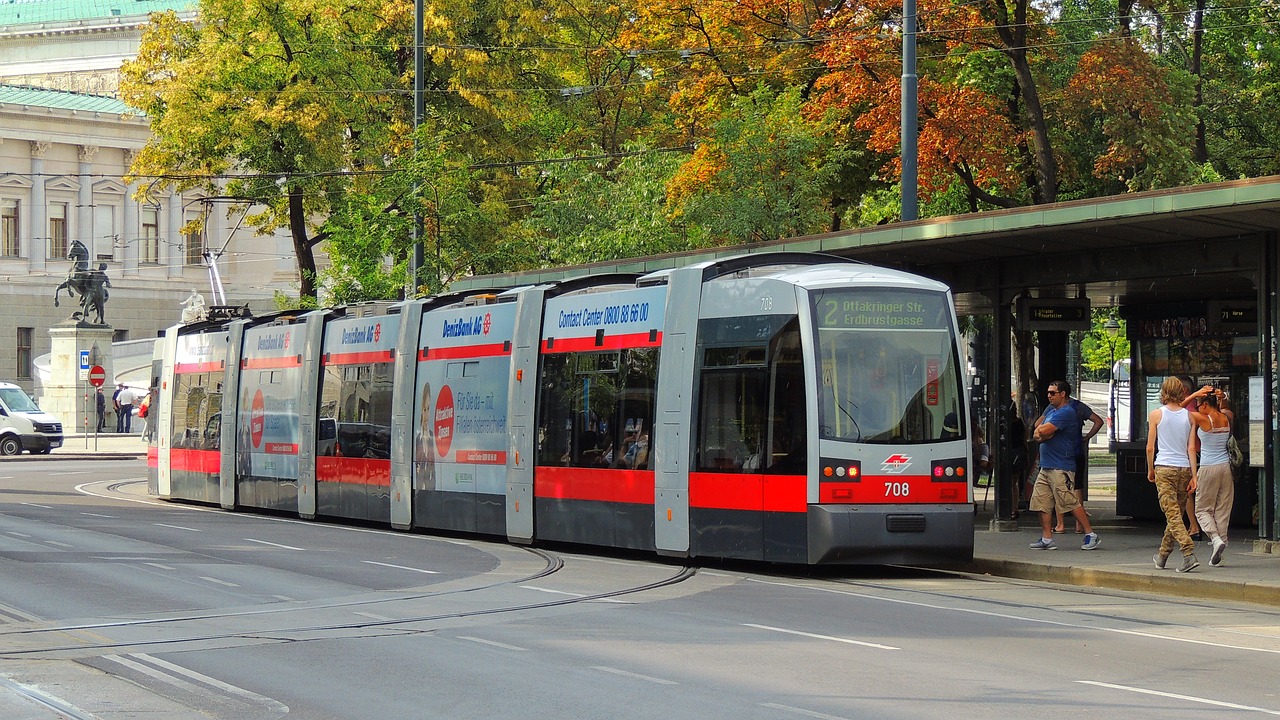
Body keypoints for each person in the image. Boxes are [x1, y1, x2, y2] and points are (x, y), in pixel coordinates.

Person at [1028, 380, 1100, 551]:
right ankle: (1047, 538)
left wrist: (1043, 433)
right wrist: (1043, 434)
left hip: (1061, 466)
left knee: (1069, 501)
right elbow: (1036, 430)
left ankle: (1090, 534)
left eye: (1053, 393)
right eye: (1048, 392)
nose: (1049, 396)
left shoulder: (1066, 412)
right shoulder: (1053, 411)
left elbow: (1042, 431)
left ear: (1063, 394)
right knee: (1041, 502)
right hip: (1047, 466)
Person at [1146, 376, 1200, 572]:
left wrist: (1150, 469)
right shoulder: (1190, 416)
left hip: (1164, 467)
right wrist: (1194, 476)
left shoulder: (1156, 414)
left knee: (1172, 514)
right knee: (1175, 513)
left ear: (1163, 391)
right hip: (1184, 468)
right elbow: (1191, 448)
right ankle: (1162, 555)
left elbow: (1150, 447)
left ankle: (1188, 552)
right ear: (1182, 392)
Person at [1189, 389, 1234, 566]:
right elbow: (1225, 407)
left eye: (1199, 405)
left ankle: (1215, 539)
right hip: (1225, 468)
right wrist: (1222, 398)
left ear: (1205, 405)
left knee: (1201, 509)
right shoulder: (1226, 417)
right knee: (1223, 508)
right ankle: (1219, 553)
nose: (1197, 408)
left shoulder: (1202, 418)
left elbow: (1178, 409)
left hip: (1208, 467)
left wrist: (1194, 395)